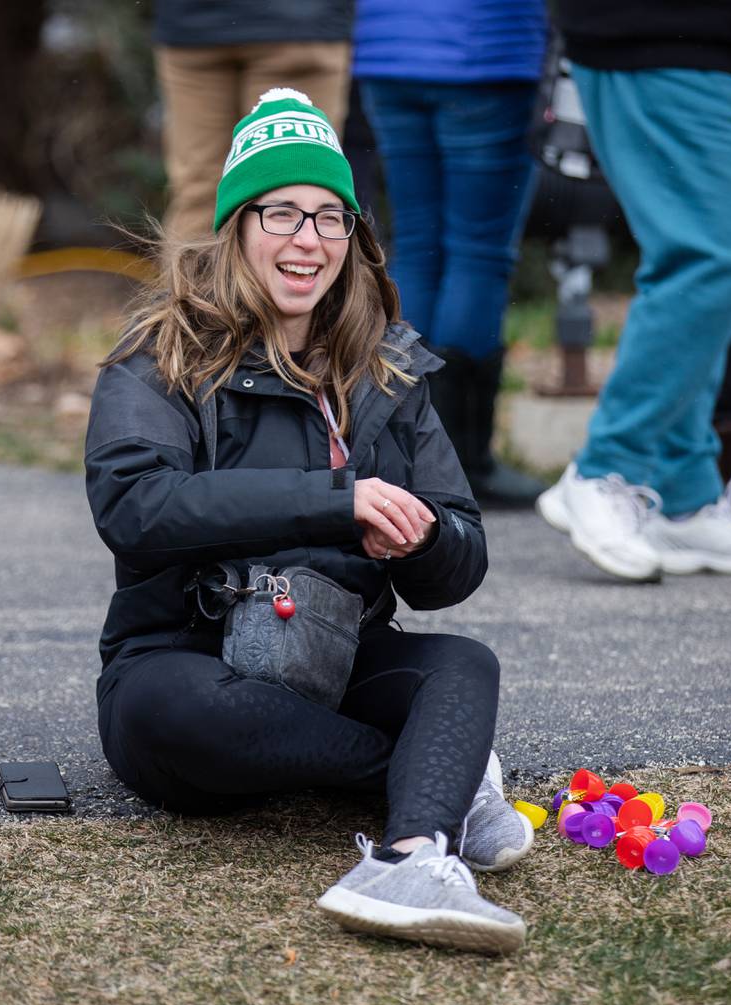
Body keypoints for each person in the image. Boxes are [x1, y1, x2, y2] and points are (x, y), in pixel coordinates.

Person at [85, 89, 533, 955]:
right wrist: (336, 498)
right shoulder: (158, 354)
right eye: (283, 212)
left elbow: (460, 555)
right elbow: (133, 508)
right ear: (238, 228)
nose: (308, 240)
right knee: (173, 710)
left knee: (461, 666)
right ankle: (424, 772)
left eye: (331, 218)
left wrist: (423, 537)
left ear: (353, 239)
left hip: (339, 658)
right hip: (185, 659)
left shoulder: (389, 370)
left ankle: (410, 859)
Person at [538, 1, 731, 580]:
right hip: (662, 29)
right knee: (712, 258)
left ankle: (683, 494)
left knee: (705, 260)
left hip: (720, 44)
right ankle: (605, 467)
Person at [353, 0, 548, 507]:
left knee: (417, 245)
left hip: (388, 49)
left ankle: (401, 453)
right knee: (479, 254)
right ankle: (464, 462)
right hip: (484, 53)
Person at [153, 0, 353, 239]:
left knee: (198, 192)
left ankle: (190, 276)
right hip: (298, 23)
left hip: (193, 26)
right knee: (295, 190)